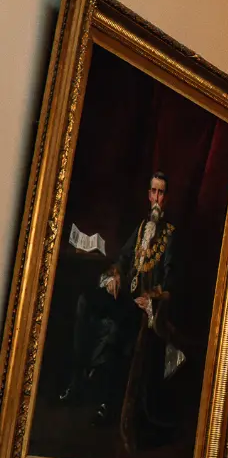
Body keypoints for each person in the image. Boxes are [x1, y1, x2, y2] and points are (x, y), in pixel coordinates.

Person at [61, 170, 181, 442]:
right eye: (153, 191)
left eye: (162, 193)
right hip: (124, 296)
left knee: (115, 327)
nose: (156, 198)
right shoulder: (140, 228)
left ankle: (106, 403)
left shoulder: (170, 235)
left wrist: (151, 297)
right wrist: (115, 277)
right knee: (85, 301)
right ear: (148, 194)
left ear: (166, 199)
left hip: (140, 306)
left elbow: (170, 279)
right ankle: (78, 377)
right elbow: (122, 260)